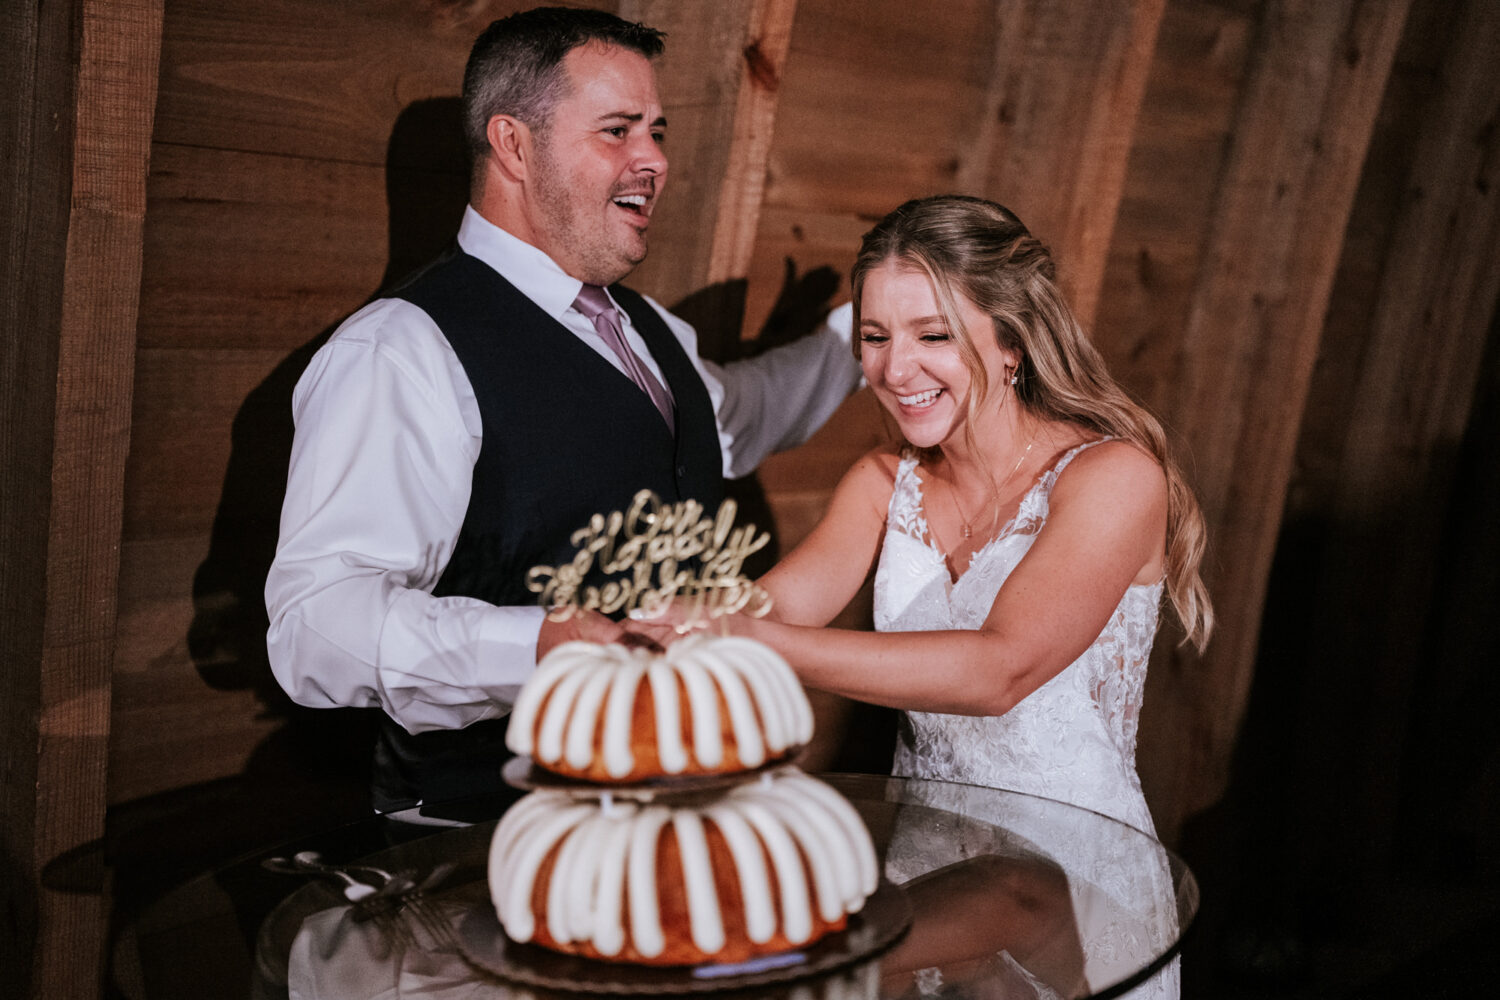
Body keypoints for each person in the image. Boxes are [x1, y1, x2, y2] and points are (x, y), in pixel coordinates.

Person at [264, 7, 861, 821]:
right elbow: (315, 627)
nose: (653, 160)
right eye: (617, 131)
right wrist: (536, 644)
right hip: (483, 830)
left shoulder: (652, 333)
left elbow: (744, 418)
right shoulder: (402, 350)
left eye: (657, 131)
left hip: (672, 799)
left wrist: (875, 334)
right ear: (513, 144)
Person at [634, 194, 1211, 995]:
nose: (894, 370)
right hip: (930, 872)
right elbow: (771, 610)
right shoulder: (881, 484)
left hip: (1073, 885)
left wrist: (751, 641)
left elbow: (998, 670)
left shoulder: (1114, 479)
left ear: (1011, 341)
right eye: (874, 338)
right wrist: (659, 636)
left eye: (931, 335)